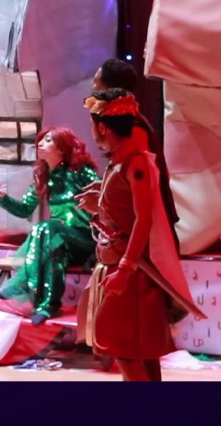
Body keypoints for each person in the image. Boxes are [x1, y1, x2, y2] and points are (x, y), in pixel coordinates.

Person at [76, 88, 197, 381]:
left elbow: (144, 221)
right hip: (120, 268)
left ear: (102, 127)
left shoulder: (135, 163)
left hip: (131, 274)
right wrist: (100, 204)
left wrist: (125, 270)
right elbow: (125, 215)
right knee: (141, 352)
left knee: (124, 350)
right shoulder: (118, 162)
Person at [0, 127, 99, 324]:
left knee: (46, 229)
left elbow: (104, 198)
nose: (40, 144)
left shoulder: (81, 173)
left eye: (48, 140)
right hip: (59, 240)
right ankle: (47, 306)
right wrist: (1, 196)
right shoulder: (43, 177)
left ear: (61, 149)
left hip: (85, 239)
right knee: (50, 241)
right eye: (40, 140)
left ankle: (23, 286)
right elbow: (24, 210)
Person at [91, 59, 180, 246]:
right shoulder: (128, 128)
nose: (93, 88)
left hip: (142, 242)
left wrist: (103, 199)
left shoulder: (135, 130)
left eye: (96, 82)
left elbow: (143, 190)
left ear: (110, 89)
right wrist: (106, 189)